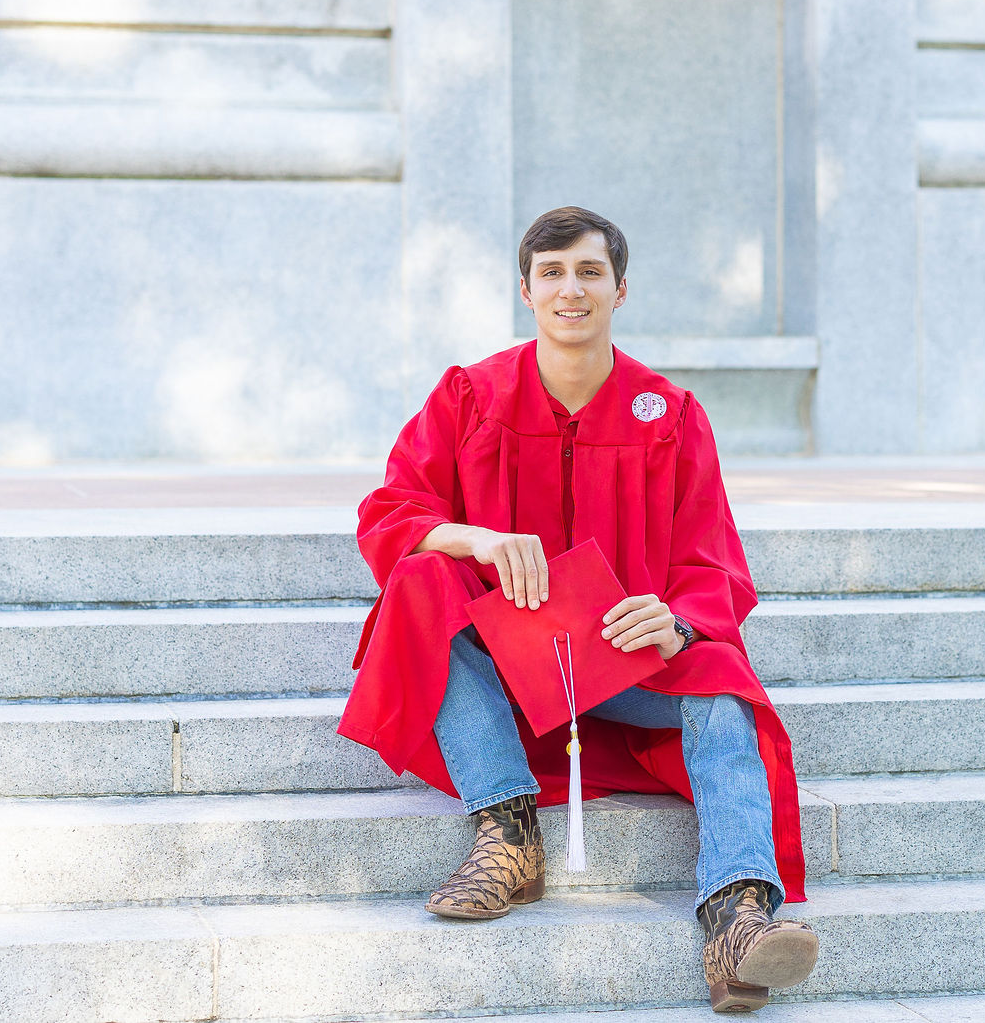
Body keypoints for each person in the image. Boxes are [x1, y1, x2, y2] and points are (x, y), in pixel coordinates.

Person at [338, 205, 819, 1013]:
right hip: (509, 656)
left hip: (619, 658)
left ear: (620, 290)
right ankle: (508, 829)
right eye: (553, 272)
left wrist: (678, 621)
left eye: (590, 272)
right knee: (421, 580)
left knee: (723, 681)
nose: (572, 289)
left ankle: (739, 918)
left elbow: (714, 561)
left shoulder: (668, 415)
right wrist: (476, 540)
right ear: (525, 289)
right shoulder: (471, 395)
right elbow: (390, 512)